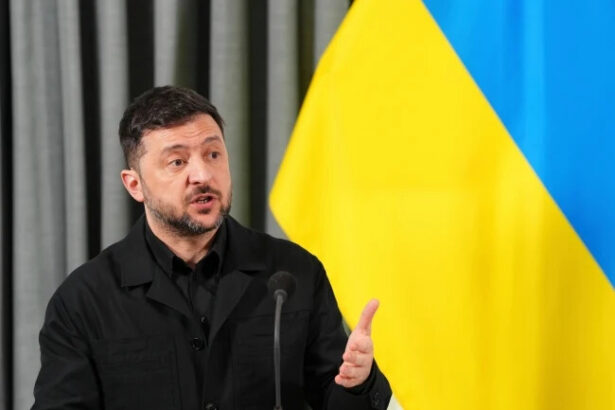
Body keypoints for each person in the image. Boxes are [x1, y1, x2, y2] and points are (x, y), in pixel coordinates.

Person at [32, 86, 392, 410]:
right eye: (177, 162)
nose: (203, 175)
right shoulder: (84, 300)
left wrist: (359, 383)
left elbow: (336, 400)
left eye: (213, 154)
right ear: (134, 185)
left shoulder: (293, 273)